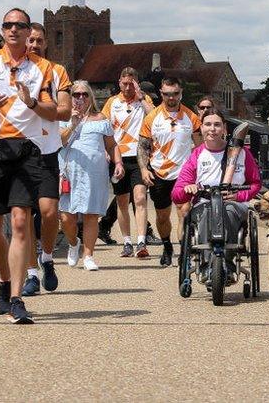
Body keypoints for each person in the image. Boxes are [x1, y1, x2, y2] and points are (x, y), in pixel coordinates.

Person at [0, 7, 59, 324]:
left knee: (20, 222)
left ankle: (17, 299)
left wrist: (31, 101)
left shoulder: (42, 68)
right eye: (8, 25)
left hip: (27, 151)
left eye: (19, 25)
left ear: (27, 30)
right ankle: (4, 279)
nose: (13, 30)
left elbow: (53, 110)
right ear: (3, 31)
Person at [171, 111, 261, 265]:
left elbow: (256, 184)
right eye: (208, 124)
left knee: (228, 212)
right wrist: (188, 189)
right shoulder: (196, 155)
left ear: (224, 129)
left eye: (217, 125)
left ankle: (227, 259)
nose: (212, 129)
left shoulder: (243, 153)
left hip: (234, 204)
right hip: (205, 202)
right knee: (207, 213)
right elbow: (176, 194)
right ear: (201, 128)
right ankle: (207, 260)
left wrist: (240, 196)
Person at [21, 23, 72, 296]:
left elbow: (64, 112)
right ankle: (31, 274)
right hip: (18, 151)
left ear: (46, 44)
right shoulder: (11, 70)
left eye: (39, 40)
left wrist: (35, 104)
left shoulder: (57, 71)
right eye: (30, 40)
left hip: (47, 150)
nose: (34, 45)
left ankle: (48, 258)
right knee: (25, 215)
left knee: (50, 213)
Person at [58, 81, 122, 271]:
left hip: (94, 173)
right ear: (70, 97)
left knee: (91, 214)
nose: (80, 98)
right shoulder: (62, 118)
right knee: (67, 217)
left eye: (84, 94)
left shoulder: (101, 118)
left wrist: (118, 163)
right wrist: (73, 123)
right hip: (69, 172)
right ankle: (72, 243)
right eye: (76, 94)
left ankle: (88, 255)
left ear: (90, 97)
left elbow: (111, 145)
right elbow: (59, 141)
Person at [139, 77, 202, 266]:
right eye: (167, 94)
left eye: (175, 94)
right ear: (161, 93)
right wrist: (143, 169)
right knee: (162, 216)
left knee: (184, 212)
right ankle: (167, 246)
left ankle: (184, 250)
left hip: (183, 173)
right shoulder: (152, 117)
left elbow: (200, 147)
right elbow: (143, 146)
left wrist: (199, 171)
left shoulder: (191, 117)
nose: (171, 98)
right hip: (159, 172)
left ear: (181, 92)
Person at [102, 67, 154, 257]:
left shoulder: (143, 100)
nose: (127, 87)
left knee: (140, 198)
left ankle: (141, 241)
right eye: (124, 83)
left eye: (130, 83)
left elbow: (155, 117)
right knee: (122, 201)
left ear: (136, 83)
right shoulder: (112, 102)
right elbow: (104, 127)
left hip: (139, 156)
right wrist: (106, 151)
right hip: (118, 157)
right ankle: (127, 242)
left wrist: (140, 96)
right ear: (119, 82)